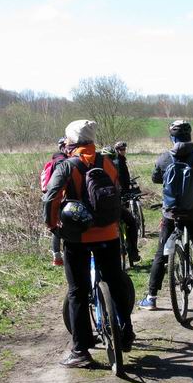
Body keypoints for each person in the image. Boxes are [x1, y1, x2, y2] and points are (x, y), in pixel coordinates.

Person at [43, 120, 136, 367]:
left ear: (71, 142)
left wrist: (53, 226)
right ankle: (126, 334)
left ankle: (80, 351)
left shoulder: (67, 166)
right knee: (116, 283)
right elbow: (118, 192)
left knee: (78, 292)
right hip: (109, 234)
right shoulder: (108, 162)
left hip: (78, 237)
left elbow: (51, 198)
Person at [137, 120, 193, 313]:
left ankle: (151, 297)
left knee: (160, 254)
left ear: (172, 137)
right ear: (189, 137)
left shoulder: (163, 158)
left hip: (171, 214)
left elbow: (156, 178)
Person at [101, 145, 141, 264]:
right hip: (116, 205)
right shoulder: (116, 166)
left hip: (100, 208)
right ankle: (133, 252)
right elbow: (122, 184)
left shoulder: (94, 168)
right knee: (132, 223)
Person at [42, 137, 69, 266]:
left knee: (57, 226)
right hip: (61, 197)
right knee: (60, 225)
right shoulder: (62, 161)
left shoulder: (54, 161)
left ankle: (57, 257)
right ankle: (60, 257)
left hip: (53, 197)